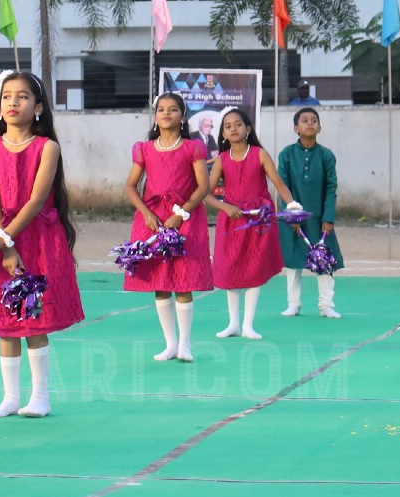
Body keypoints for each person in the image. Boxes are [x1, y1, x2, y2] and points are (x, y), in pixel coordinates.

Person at [0, 70, 83, 419]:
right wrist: (1, 239)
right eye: (7, 97)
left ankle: (41, 396)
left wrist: (5, 238)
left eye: (22, 96)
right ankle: (10, 397)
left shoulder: (47, 147)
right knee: (5, 320)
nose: (14, 102)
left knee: (34, 318)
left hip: (36, 237)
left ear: (38, 107)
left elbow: (35, 200)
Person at [122, 92, 214, 361]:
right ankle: (170, 344)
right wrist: (146, 214)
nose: (166, 113)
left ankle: (185, 344)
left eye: (173, 109)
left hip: (183, 217)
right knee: (161, 282)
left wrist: (182, 213)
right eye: (161, 109)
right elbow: (130, 186)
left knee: (183, 281)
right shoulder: (145, 148)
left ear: (182, 116)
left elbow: (203, 186)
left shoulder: (193, 148)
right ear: (155, 115)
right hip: (153, 220)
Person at [204, 107, 297, 340]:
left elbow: (279, 184)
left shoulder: (259, 154)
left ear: (248, 128)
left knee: (254, 268)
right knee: (230, 268)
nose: (233, 128)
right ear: (223, 134)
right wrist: (226, 207)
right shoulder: (222, 160)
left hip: (259, 220)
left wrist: (292, 204)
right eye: (228, 126)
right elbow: (205, 194)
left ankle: (248, 324)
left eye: (238, 124)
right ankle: (233, 323)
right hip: (231, 221)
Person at [278, 106, 343, 319]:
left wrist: (328, 218)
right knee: (294, 262)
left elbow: (331, 188)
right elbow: (282, 185)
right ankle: (293, 304)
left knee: (324, 260)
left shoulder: (326, 156)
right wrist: (291, 216)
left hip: (319, 219)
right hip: (293, 218)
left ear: (320, 127)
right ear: (296, 128)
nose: (309, 123)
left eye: (314, 120)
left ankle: (326, 305)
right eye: (304, 120)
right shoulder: (286, 155)